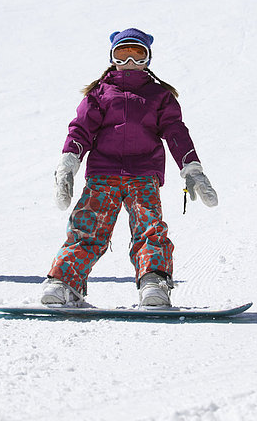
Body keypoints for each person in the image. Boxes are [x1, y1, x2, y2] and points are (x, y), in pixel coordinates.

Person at [41, 28, 218, 308]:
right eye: (123, 55)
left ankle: (153, 284)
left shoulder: (159, 96)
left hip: (143, 175)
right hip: (103, 175)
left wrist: (192, 169)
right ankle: (63, 283)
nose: (130, 63)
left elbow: (175, 132)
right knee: (86, 229)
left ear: (148, 59)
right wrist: (68, 164)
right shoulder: (99, 94)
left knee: (150, 230)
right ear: (112, 59)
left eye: (137, 55)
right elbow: (80, 131)